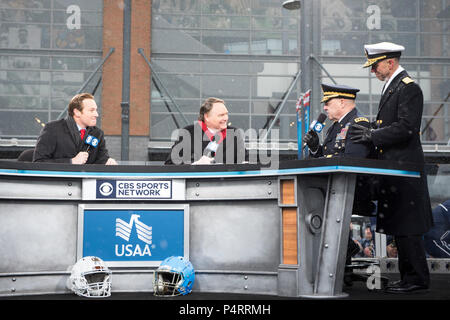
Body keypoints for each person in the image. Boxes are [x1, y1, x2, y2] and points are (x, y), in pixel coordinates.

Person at [351, 42, 433, 293]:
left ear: (390, 62)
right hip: (395, 169)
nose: (373, 70)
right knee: (401, 227)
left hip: (405, 169)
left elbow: (407, 127)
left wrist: (373, 135)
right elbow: (393, 124)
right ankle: (409, 277)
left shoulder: (409, 88)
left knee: (409, 227)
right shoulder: (394, 87)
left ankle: (417, 279)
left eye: (375, 65)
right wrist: (374, 130)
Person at [33, 93, 117, 165]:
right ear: (77, 112)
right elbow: (39, 162)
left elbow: (101, 159)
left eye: (96, 110)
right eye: (91, 110)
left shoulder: (97, 134)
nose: (96, 114)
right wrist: (71, 161)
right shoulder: (52, 129)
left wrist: (108, 162)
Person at [165, 97, 247, 165]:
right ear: (207, 116)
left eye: (226, 114)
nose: (226, 118)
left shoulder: (234, 133)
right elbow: (170, 164)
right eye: (221, 115)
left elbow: (245, 161)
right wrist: (196, 164)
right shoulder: (188, 133)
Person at [303, 83, 371, 158]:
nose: (325, 108)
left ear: (342, 103)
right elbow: (328, 153)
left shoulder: (359, 123)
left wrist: (322, 160)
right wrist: (315, 148)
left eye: (327, 103)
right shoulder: (336, 125)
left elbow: (353, 159)